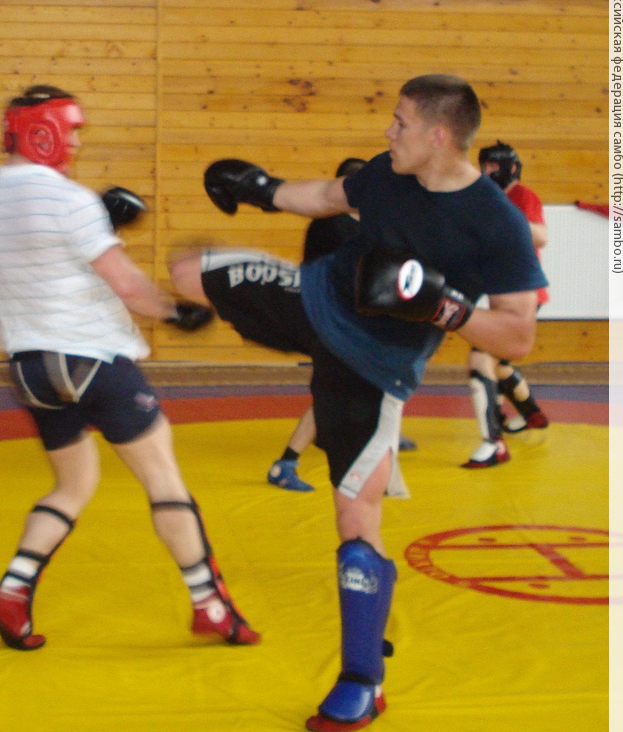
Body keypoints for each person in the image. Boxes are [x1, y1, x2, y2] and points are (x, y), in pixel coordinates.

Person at [168, 74, 547, 730]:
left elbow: (519, 335)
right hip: (310, 298)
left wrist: (442, 309)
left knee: (355, 516)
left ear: (439, 136)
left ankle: (362, 677)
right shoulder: (389, 173)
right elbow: (326, 195)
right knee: (189, 271)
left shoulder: (497, 222)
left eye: (400, 122)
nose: (387, 132)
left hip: (373, 365)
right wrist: (260, 189)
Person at [0, 84, 259, 651]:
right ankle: (210, 605)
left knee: (73, 484)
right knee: (164, 480)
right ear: (43, 132)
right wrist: (178, 312)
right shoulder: (69, 200)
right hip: (91, 358)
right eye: (72, 131)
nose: (77, 142)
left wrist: (100, 223)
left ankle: (12, 594)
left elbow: (43, 257)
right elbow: (127, 286)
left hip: (30, 367)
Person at [268, 158, 416, 494]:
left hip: (349, 319)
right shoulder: (333, 225)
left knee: (369, 382)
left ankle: (382, 434)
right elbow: (341, 275)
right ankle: (286, 461)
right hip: (333, 320)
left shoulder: (358, 223)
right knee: (335, 391)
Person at [461, 140, 550, 469]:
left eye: (493, 167)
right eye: (484, 166)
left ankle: (493, 442)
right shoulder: (492, 198)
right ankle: (531, 414)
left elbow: (541, 236)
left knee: (480, 359)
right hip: (503, 294)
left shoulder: (522, 196)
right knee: (499, 364)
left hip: (523, 297)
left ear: (510, 168)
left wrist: (502, 217)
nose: (487, 172)